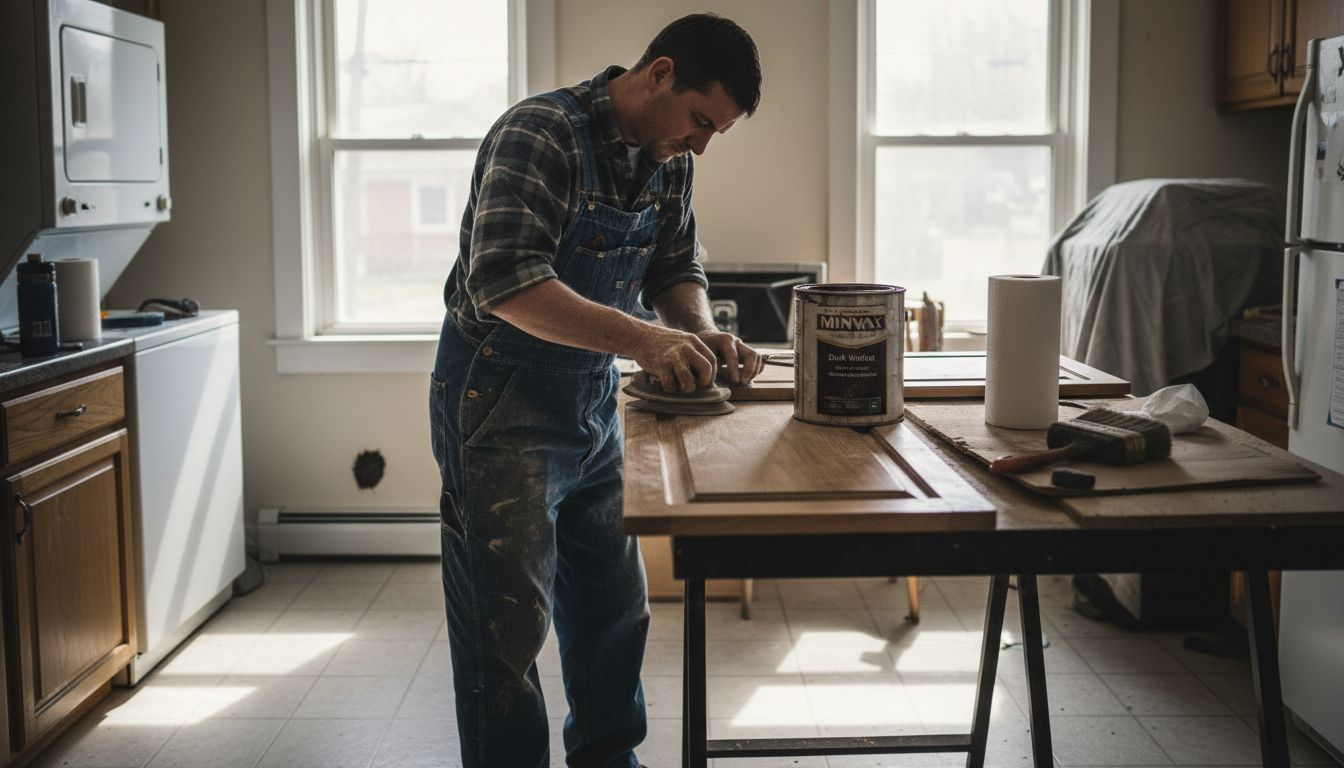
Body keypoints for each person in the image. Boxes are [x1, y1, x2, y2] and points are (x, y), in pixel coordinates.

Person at [428, 13, 764, 768]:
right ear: (660, 74)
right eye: (701, 120)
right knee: (506, 627)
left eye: (719, 132)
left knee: (614, 606)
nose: (702, 143)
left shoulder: (670, 158)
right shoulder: (540, 134)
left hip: (588, 400)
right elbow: (507, 284)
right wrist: (647, 341)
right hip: (499, 402)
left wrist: (698, 329)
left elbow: (676, 269)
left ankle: (609, 760)